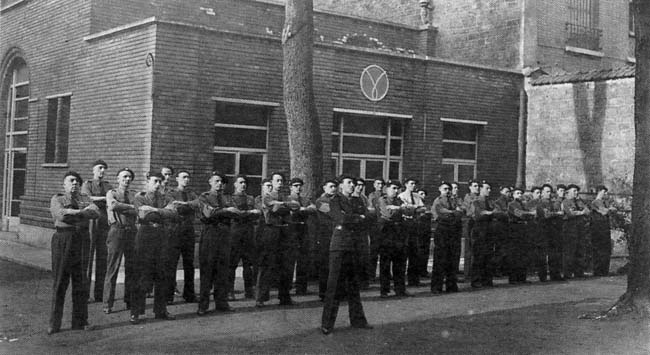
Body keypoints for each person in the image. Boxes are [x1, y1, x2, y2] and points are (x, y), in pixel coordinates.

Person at [48, 171, 99, 335]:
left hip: (81, 240)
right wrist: (81, 212)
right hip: (63, 239)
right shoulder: (57, 199)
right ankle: (54, 324)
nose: (75, 183)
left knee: (80, 282)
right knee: (60, 281)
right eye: (71, 181)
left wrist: (74, 212)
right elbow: (60, 215)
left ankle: (80, 321)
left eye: (77, 181)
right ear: (64, 184)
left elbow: (96, 212)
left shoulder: (84, 198)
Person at [320, 175, 373, 335]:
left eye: (354, 183)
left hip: (354, 247)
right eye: (349, 183)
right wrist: (358, 217)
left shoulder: (358, 201)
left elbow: (369, 218)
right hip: (340, 247)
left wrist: (355, 218)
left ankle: (358, 320)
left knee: (353, 286)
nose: (353, 185)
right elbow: (340, 218)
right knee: (334, 285)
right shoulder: (335, 200)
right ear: (341, 185)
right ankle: (327, 324)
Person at [129, 172, 180, 324]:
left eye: (160, 181)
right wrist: (162, 212)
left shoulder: (166, 198)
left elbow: (173, 214)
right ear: (147, 182)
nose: (158, 184)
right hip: (145, 237)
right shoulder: (140, 197)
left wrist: (155, 210)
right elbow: (144, 215)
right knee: (141, 275)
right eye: (155, 181)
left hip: (162, 237)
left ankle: (161, 310)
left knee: (162, 275)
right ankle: (135, 312)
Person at [256, 172, 300, 307]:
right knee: (267, 264)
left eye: (282, 181)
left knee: (286, 265)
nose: (279, 183)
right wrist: (285, 205)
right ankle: (261, 297)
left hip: (286, 231)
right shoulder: (266, 197)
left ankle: (284, 296)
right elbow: (273, 208)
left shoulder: (286, 197)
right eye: (277, 181)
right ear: (272, 182)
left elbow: (296, 205)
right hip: (271, 230)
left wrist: (282, 204)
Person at [196, 172, 237, 315]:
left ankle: (221, 302)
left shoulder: (227, 198)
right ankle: (203, 305)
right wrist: (225, 211)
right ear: (210, 182)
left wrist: (220, 212)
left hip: (225, 235)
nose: (219, 184)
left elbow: (235, 212)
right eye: (217, 181)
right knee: (207, 270)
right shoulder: (204, 197)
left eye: (222, 182)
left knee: (222, 270)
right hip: (210, 234)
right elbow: (208, 214)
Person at [102, 168, 137, 314]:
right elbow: (113, 205)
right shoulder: (112, 193)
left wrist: (126, 208)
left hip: (131, 232)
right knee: (112, 268)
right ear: (118, 179)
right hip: (117, 231)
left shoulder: (134, 194)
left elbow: (139, 210)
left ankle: (129, 300)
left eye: (129, 177)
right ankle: (107, 303)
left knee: (132, 268)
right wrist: (130, 207)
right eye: (124, 177)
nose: (127, 180)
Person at [81, 159, 112, 303]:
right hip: (91, 224)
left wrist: (103, 199)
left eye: (104, 169)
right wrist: (105, 198)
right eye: (100, 168)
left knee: (102, 259)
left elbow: (112, 200)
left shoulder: (107, 185)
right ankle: (85, 294)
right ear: (93, 170)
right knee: (87, 259)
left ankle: (99, 294)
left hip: (104, 224)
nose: (102, 171)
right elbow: (87, 199)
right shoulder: (87, 184)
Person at [166, 170, 199, 304]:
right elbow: (174, 207)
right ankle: (168, 295)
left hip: (188, 232)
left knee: (189, 264)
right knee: (171, 264)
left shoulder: (191, 194)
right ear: (177, 179)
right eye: (184, 177)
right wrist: (188, 206)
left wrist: (185, 205)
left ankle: (189, 294)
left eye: (188, 177)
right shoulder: (171, 193)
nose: (186, 180)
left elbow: (198, 204)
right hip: (174, 231)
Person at [228, 175, 260, 300]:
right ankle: (229, 290)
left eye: (245, 182)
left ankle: (249, 290)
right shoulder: (231, 198)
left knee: (249, 264)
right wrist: (249, 213)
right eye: (240, 182)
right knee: (232, 263)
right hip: (235, 234)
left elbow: (257, 213)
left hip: (249, 234)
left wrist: (245, 214)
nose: (243, 185)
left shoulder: (250, 198)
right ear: (235, 184)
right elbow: (234, 214)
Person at [377, 180, 411, 298]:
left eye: (398, 189)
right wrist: (401, 209)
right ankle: (384, 290)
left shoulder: (399, 200)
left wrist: (398, 208)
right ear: (386, 189)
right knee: (385, 263)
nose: (396, 191)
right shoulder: (382, 200)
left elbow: (409, 211)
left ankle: (400, 289)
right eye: (394, 188)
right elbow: (388, 214)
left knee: (400, 263)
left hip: (398, 234)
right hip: (386, 233)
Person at [430, 182, 463, 293]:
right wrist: (454, 212)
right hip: (442, 230)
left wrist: (453, 213)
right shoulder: (437, 201)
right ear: (440, 189)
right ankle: (436, 287)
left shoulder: (454, 200)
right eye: (445, 189)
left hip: (453, 231)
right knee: (440, 259)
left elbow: (461, 212)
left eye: (449, 189)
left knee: (452, 259)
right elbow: (441, 213)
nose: (447, 191)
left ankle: (451, 285)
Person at [287, 177, 317, 295]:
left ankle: (301, 287)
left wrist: (301, 209)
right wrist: (302, 210)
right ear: (290, 187)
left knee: (303, 259)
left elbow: (313, 208)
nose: (298, 188)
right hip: (291, 230)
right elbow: (291, 212)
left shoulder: (305, 199)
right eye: (295, 186)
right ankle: (287, 286)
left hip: (303, 230)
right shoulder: (287, 199)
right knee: (290, 259)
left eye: (300, 185)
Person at [398, 178, 426, 287]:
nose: (413, 186)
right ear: (406, 184)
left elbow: (423, 209)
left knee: (415, 253)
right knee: (404, 252)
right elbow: (404, 210)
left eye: (415, 184)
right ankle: (402, 280)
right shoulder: (401, 196)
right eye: (411, 183)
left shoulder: (417, 196)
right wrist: (415, 208)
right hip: (405, 225)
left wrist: (413, 208)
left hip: (415, 225)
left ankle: (413, 279)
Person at [315, 179, 339, 300]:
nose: (333, 188)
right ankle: (323, 293)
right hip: (325, 235)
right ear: (324, 187)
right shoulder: (320, 201)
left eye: (335, 186)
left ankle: (334, 292)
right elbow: (332, 213)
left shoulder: (336, 200)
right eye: (331, 186)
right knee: (325, 265)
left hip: (336, 234)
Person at [506, 187, 536, 284]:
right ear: (513, 195)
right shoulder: (511, 204)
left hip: (523, 229)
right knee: (514, 254)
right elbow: (520, 214)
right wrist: (530, 213)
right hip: (514, 229)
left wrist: (529, 213)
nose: (520, 195)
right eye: (517, 193)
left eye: (521, 193)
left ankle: (522, 277)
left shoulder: (523, 205)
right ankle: (513, 278)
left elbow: (529, 214)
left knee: (523, 253)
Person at [470, 181, 496, 288]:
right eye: (487, 188)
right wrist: (488, 213)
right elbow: (477, 214)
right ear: (481, 189)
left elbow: (497, 210)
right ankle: (476, 280)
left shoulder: (490, 202)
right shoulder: (476, 202)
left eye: (490, 188)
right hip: (479, 230)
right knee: (478, 256)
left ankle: (487, 280)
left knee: (488, 255)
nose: (489, 190)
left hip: (488, 230)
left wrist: (489, 213)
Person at [561, 184, 590, 279]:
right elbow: (571, 214)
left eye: (577, 191)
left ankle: (579, 272)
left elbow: (587, 211)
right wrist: (581, 212)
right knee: (569, 251)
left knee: (580, 250)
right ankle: (567, 273)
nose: (576, 193)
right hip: (570, 227)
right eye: (574, 191)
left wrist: (581, 209)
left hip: (579, 228)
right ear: (567, 192)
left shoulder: (578, 202)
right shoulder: (566, 202)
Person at [537, 184, 565, 281]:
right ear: (542, 193)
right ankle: (542, 276)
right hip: (543, 230)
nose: (549, 194)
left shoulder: (552, 203)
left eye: (550, 192)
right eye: (547, 192)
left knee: (554, 253)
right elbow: (546, 215)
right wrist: (557, 214)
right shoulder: (540, 203)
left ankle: (555, 274)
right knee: (542, 254)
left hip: (552, 231)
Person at [590, 185, 615, 276]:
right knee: (599, 249)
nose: (606, 194)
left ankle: (604, 270)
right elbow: (603, 211)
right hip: (598, 229)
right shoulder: (596, 202)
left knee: (605, 249)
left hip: (604, 229)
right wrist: (610, 209)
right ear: (599, 191)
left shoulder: (604, 202)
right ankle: (598, 271)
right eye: (604, 192)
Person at [365, 178, 385, 283]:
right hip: (375, 225)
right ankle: (371, 274)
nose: (380, 186)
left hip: (384, 225)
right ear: (374, 185)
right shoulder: (371, 196)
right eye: (378, 184)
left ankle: (384, 274)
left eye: (382, 184)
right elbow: (371, 209)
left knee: (384, 251)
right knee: (374, 251)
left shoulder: (385, 195)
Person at [461, 180, 480, 281]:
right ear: (470, 187)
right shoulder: (468, 198)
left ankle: (474, 273)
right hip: (470, 223)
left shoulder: (480, 198)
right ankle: (467, 273)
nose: (477, 188)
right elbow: (469, 211)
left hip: (478, 223)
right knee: (469, 248)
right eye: (475, 186)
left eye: (478, 186)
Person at [527, 186, 546, 281]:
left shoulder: (543, 203)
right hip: (532, 229)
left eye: (540, 193)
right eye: (537, 193)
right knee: (532, 252)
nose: (539, 195)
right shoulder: (529, 204)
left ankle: (542, 275)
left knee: (541, 253)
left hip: (542, 229)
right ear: (532, 194)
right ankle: (531, 272)